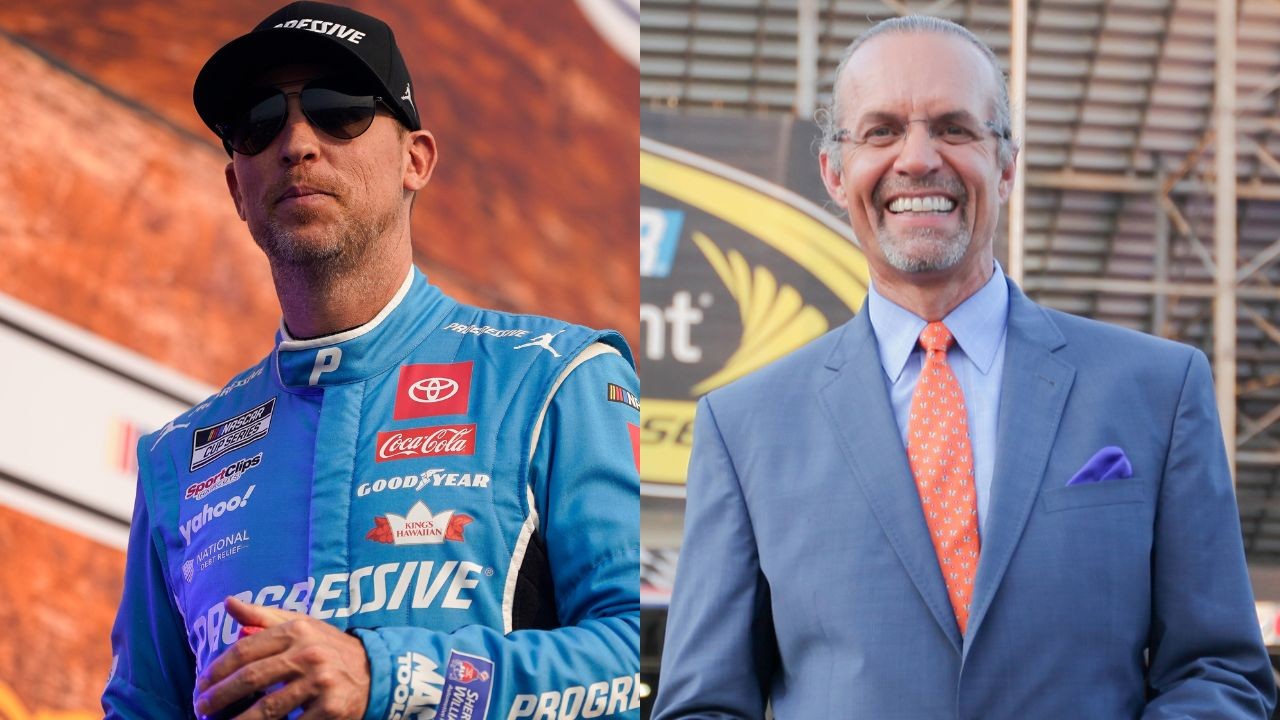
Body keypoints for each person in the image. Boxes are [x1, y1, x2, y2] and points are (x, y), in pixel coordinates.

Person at [652, 15, 1276, 719]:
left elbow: (1220, 672)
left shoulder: (1159, 390)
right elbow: (704, 705)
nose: (918, 159)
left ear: (1006, 167)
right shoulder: (744, 427)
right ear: (834, 173)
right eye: (881, 131)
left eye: (953, 128)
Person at [101, 3, 641, 718]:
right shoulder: (177, 458)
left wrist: (387, 674)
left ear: (416, 160)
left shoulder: (555, 379)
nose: (297, 143)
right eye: (259, 122)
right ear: (237, 189)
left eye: (339, 109)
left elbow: (643, 659)